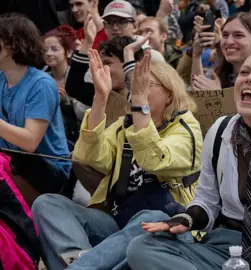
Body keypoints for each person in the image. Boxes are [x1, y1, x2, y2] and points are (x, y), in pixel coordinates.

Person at [125, 51, 251, 270]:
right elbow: (207, 201)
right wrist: (186, 219)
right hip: (225, 247)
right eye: (245, 71)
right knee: (141, 247)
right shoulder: (219, 131)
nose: (250, 78)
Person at [32, 50, 202, 270]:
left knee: (151, 217)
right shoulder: (125, 125)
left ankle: (82, 266)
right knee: (47, 203)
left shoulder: (186, 127)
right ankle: (85, 263)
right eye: (135, 87)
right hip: (117, 219)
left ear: (170, 94)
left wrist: (140, 104)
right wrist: (100, 99)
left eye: (146, 85)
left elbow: (155, 160)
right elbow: (89, 157)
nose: (136, 91)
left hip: (165, 222)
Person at [0, 14, 72, 203]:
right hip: (12, 161)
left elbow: (30, 141)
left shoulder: (40, 84)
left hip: (47, 170)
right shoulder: (1, 79)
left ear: (12, 44)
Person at [188, 12, 251, 90]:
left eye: (238, 35)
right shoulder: (218, 75)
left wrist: (218, 95)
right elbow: (197, 93)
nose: (229, 41)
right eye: (225, 35)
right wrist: (196, 54)